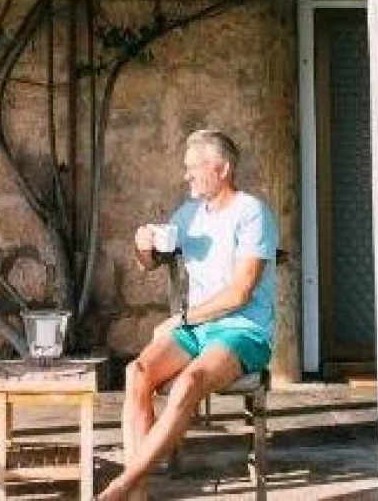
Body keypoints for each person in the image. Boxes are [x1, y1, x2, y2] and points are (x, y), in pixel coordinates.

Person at [100, 129, 277, 501]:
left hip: (242, 329)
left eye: (194, 167)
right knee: (137, 372)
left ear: (223, 168)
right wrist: (142, 247)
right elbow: (150, 262)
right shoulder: (188, 214)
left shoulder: (252, 214)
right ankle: (138, 493)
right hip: (197, 328)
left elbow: (240, 293)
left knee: (189, 381)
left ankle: (124, 484)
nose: (187, 176)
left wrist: (182, 319)